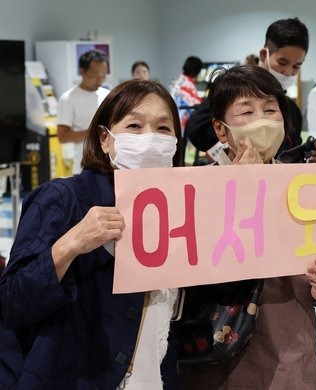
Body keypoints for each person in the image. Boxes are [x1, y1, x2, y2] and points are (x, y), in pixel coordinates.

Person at [0, 80, 184, 389]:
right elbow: (13, 302)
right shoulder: (62, 198)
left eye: (163, 129)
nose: (149, 139)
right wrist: (71, 244)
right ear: (105, 138)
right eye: (134, 126)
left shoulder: (182, 208)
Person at [176, 65, 316, 389]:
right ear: (220, 130)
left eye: (270, 109)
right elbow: (196, 280)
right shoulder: (195, 190)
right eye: (246, 112)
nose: (262, 120)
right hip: (221, 366)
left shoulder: (305, 188)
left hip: (293, 361)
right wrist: (242, 190)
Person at [186, 18, 310, 161]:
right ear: (264, 55)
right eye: (282, 62)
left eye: (296, 66)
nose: (288, 71)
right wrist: (228, 155)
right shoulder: (236, 89)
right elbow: (197, 128)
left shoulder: (292, 109)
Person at [57, 50, 110, 175]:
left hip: (108, 164)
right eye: (94, 75)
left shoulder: (107, 95)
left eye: (103, 76)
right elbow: (62, 136)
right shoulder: (68, 98)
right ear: (82, 71)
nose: (99, 80)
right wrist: (93, 132)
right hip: (84, 167)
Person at [169, 56, 204, 135]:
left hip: (171, 120)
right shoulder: (188, 84)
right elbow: (199, 105)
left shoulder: (176, 80)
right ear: (197, 71)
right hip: (181, 124)